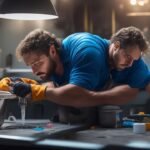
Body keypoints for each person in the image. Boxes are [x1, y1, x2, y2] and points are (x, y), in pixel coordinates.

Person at [0, 26, 150, 108]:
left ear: (52, 51)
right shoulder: (55, 62)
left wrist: (39, 91)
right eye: (30, 65)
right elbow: (58, 85)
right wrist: (26, 85)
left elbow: (77, 93)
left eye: (37, 63)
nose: (34, 70)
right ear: (116, 46)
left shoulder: (88, 52)